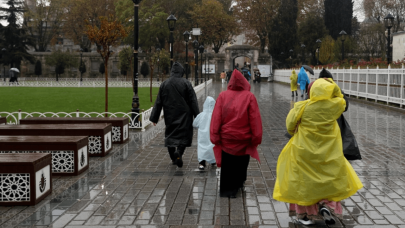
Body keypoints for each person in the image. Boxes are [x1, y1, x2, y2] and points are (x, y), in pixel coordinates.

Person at [273, 78, 363, 226]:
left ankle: (306, 216)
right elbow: (341, 98)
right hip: (329, 151)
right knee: (328, 179)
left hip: (303, 151)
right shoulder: (335, 106)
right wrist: (331, 85)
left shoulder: (302, 107)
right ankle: (326, 205)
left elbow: (290, 126)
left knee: (304, 183)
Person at [210, 69, 263, 198]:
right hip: (244, 140)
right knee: (241, 164)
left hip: (227, 139)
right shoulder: (249, 97)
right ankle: (239, 183)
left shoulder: (223, 96)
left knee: (228, 166)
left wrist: (214, 136)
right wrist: (256, 139)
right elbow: (255, 120)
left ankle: (227, 189)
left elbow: (216, 118)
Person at [150, 62, 200, 168]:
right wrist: (198, 116)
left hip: (170, 113)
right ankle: (179, 152)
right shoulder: (186, 83)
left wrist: (154, 117)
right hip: (185, 115)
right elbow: (193, 101)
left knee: (170, 135)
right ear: (182, 72)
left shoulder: (164, 84)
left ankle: (173, 158)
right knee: (184, 135)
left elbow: (159, 101)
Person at [193, 96, 216, 170]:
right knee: (212, 147)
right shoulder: (215, 115)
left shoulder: (201, 115)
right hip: (212, 135)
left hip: (202, 136)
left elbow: (194, 124)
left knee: (202, 148)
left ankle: (202, 163)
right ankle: (213, 160)